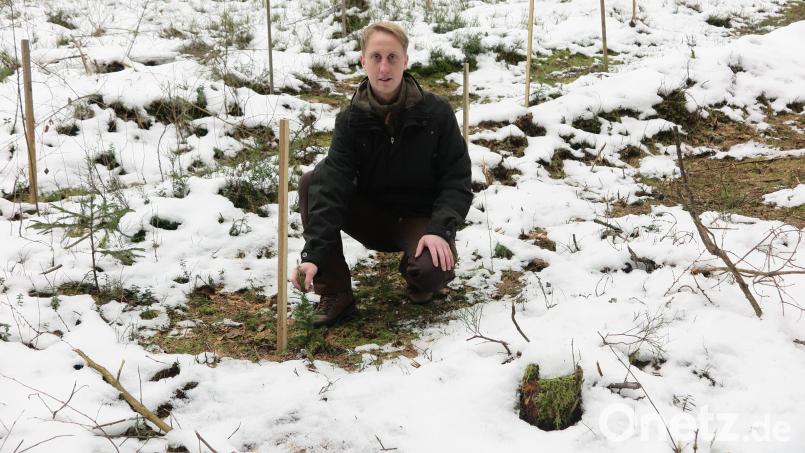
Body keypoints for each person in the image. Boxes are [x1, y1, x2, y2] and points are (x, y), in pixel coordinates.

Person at [291, 21, 472, 327]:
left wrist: (440, 229)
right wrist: (313, 255)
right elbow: (332, 185)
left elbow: (457, 180)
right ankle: (336, 293)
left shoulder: (436, 113)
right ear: (363, 61)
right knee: (313, 182)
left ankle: (418, 274)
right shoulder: (350, 121)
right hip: (372, 217)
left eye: (392, 57)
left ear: (406, 61)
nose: (384, 67)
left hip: (420, 221)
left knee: (431, 272)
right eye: (376, 57)